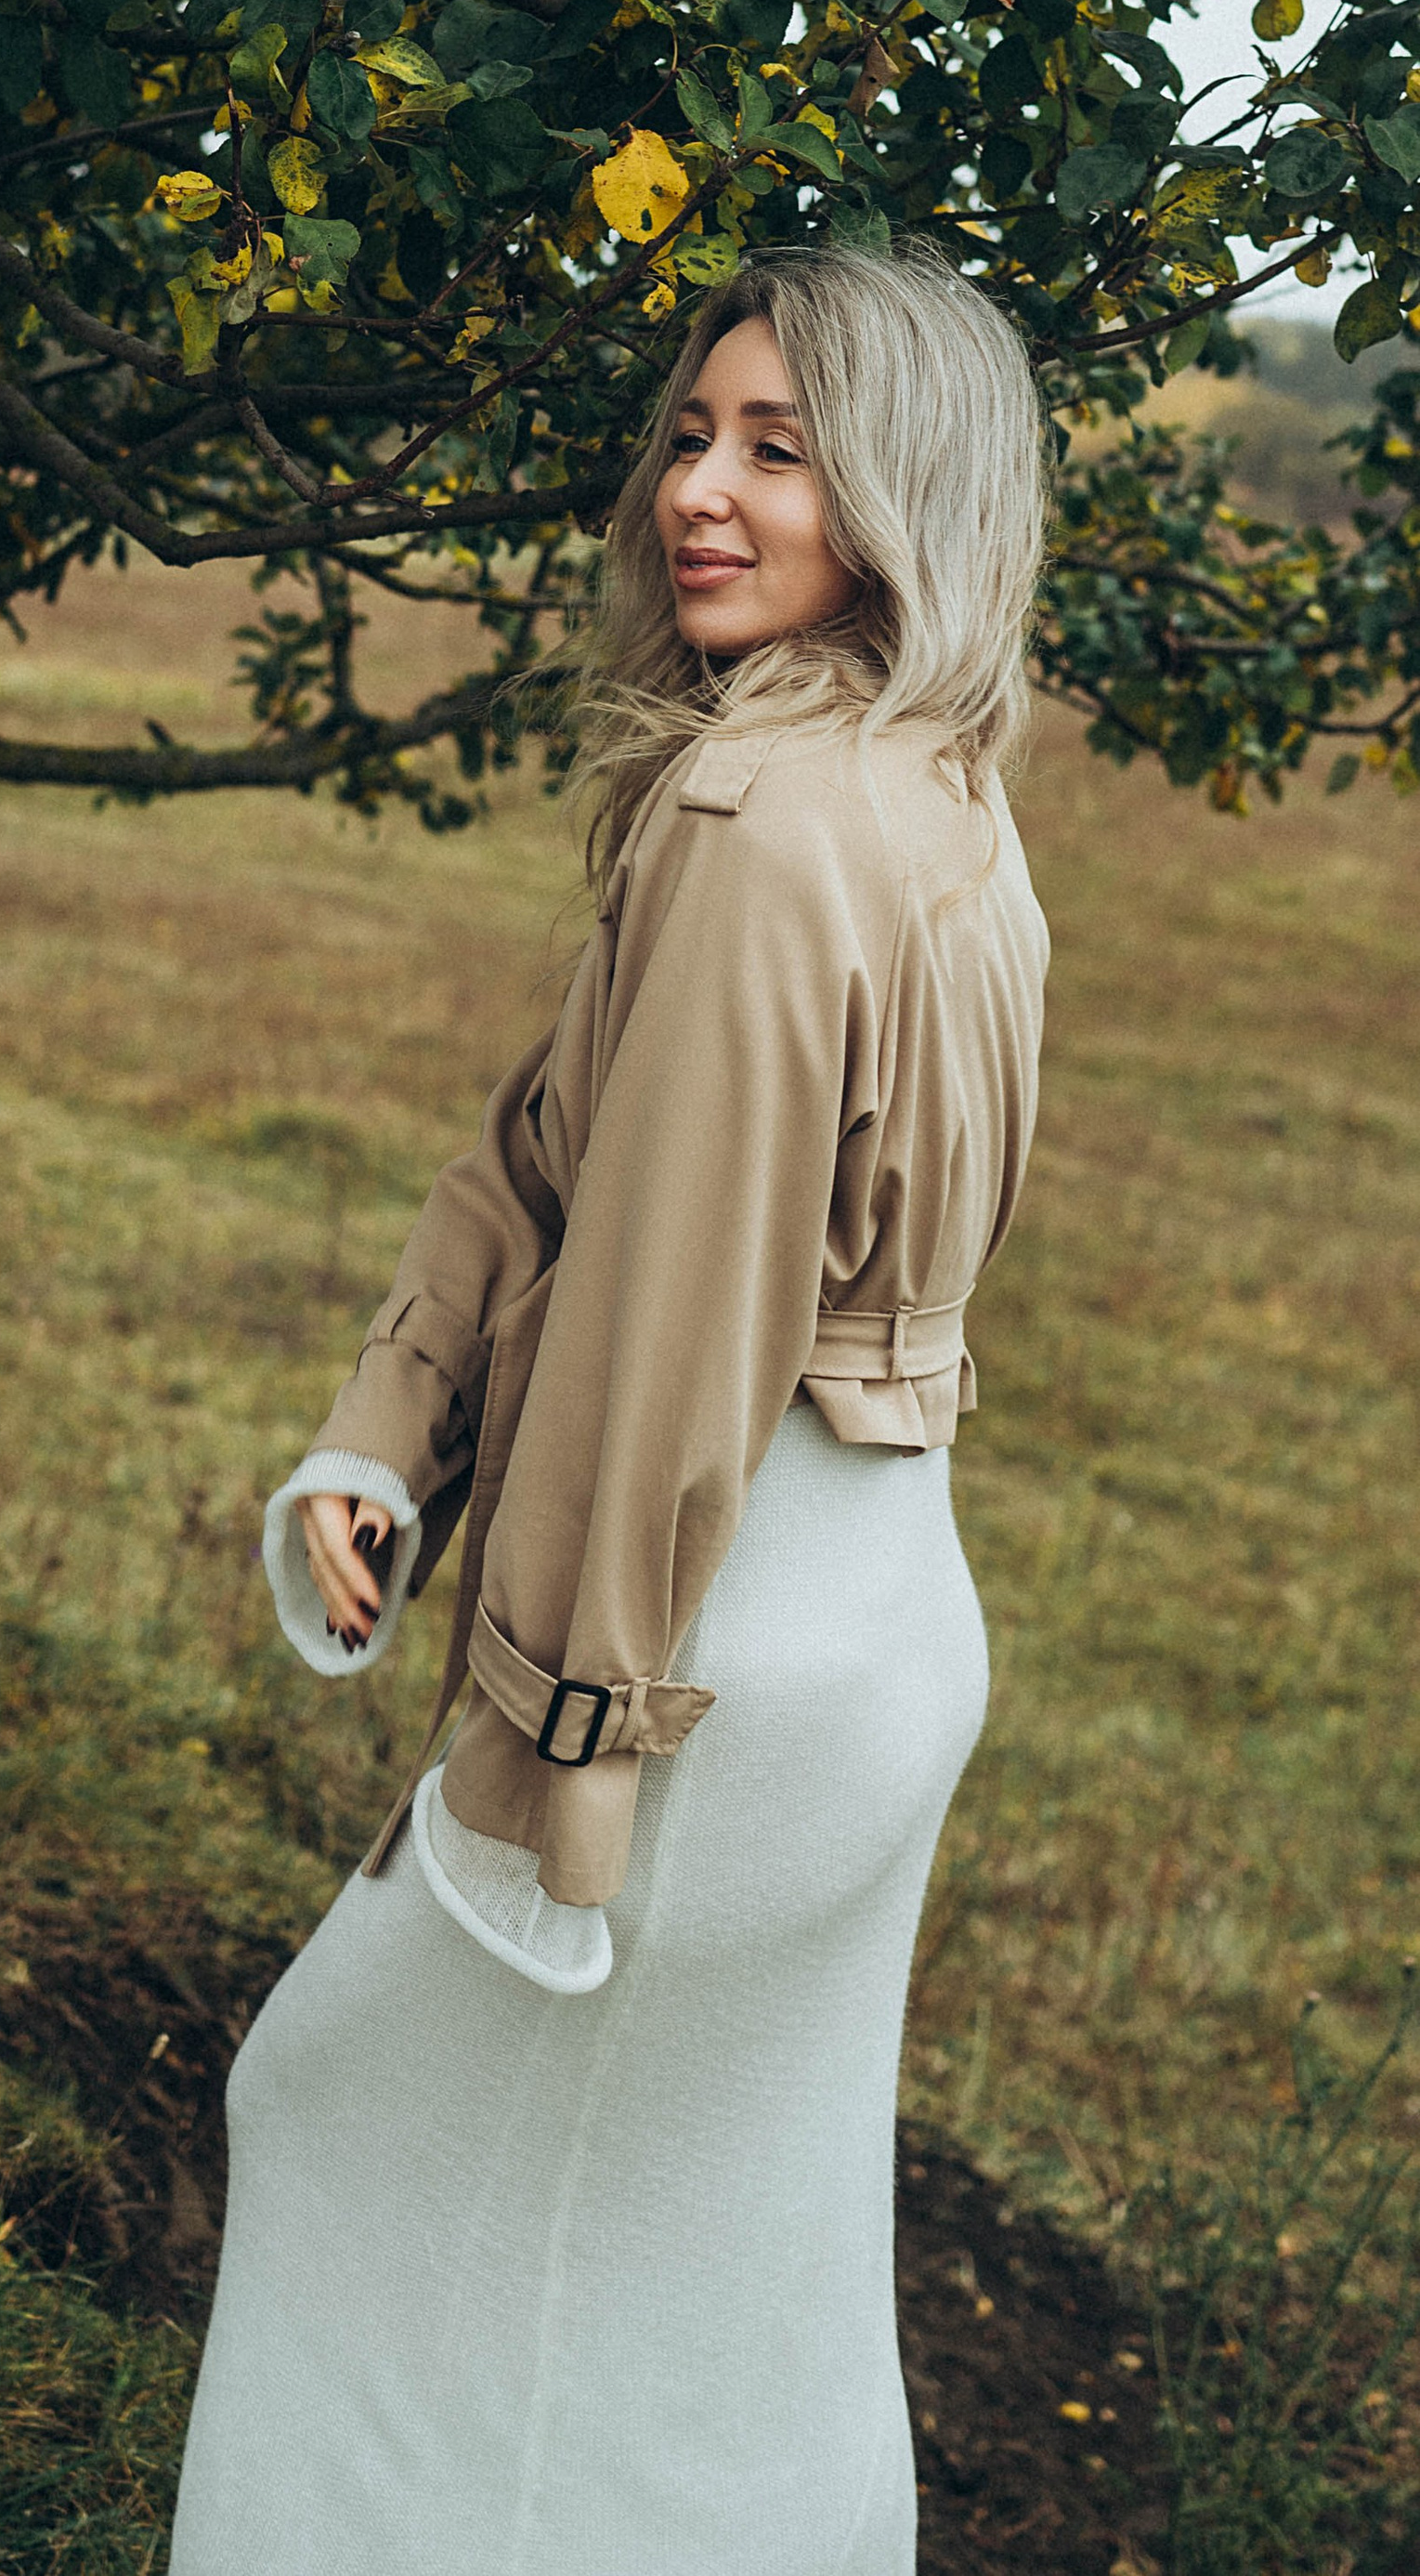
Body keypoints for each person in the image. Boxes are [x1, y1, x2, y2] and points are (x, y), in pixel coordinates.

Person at [168, 242, 1051, 2576]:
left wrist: (547, 1742)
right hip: (874, 1611)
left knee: (343, 2122)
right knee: (723, 2297)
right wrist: (387, 1428)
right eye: (690, 431)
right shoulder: (931, 791)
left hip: (703, 1634)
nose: (699, 488)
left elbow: (666, 1327)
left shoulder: (763, 829)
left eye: (779, 449)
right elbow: (550, 1150)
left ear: (900, 490)